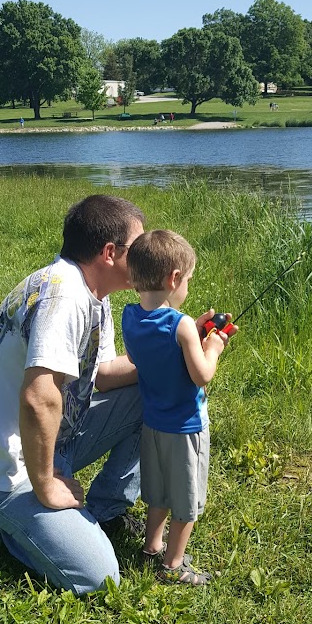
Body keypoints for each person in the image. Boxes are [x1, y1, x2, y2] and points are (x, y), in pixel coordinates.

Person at [0, 194, 147, 596]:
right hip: (2, 472)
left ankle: (106, 511)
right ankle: (2, 520)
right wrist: (45, 485)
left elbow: (105, 375)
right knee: (100, 578)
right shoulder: (65, 296)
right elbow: (39, 398)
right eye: (138, 249)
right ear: (110, 253)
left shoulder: (92, 293)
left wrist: (175, 354)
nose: (148, 257)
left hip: (47, 442)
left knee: (153, 392)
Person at [122, 230, 235, 586]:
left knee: (158, 492)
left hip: (152, 425)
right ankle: (173, 566)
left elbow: (160, 354)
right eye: (187, 279)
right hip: (186, 429)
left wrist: (193, 336)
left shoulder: (129, 316)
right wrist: (212, 347)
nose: (186, 286)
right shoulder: (182, 324)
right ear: (173, 279)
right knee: (186, 501)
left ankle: (151, 545)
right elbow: (201, 376)